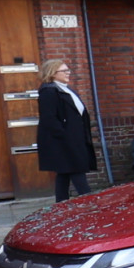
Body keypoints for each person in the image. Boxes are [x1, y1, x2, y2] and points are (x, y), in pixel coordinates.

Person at [35, 59, 95, 201]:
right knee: (77, 171)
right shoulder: (49, 92)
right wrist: (65, 136)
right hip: (64, 141)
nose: (68, 73)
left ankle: (60, 205)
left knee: (64, 173)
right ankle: (91, 204)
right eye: (64, 71)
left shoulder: (64, 89)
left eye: (68, 70)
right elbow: (49, 119)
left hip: (73, 138)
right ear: (53, 73)